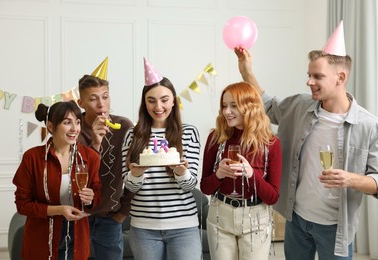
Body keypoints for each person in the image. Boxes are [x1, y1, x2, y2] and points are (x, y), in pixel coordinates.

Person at [235, 20, 378, 259]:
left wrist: (350, 178)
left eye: (317, 76)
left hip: (335, 227)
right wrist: (246, 72)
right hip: (297, 220)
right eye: (309, 74)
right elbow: (269, 106)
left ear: (340, 77)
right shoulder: (301, 106)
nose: (309, 81)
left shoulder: (368, 125)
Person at [121, 58, 202, 260]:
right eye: (151, 100)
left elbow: (191, 184)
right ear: (144, 102)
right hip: (143, 227)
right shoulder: (132, 135)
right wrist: (135, 175)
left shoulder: (189, 133)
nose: (158, 106)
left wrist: (181, 172)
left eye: (164, 99)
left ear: (174, 100)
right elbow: (128, 187)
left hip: (183, 226)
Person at [200, 81, 282, 259]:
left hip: (256, 220)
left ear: (249, 107)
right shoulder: (216, 138)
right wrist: (219, 175)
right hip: (220, 217)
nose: (226, 112)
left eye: (233, 106)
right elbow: (205, 188)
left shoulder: (271, 144)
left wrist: (252, 175)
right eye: (224, 106)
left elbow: (272, 197)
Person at [13, 101, 101, 260]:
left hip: (77, 235)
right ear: (51, 126)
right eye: (67, 122)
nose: (75, 129)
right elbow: (22, 204)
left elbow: (97, 193)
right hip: (41, 237)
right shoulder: (32, 158)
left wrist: (91, 198)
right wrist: (59, 210)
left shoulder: (90, 157)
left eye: (78, 122)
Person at [77, 71, 134, 259]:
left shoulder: (124, 127)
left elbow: (137, 170)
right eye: (93, 99)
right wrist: (95, 143)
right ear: (81, 104)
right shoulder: (73, 130)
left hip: (110, 218)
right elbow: (76, 173)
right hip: (77, 216)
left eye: (105, 97)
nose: (101, 104)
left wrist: (124, 211)